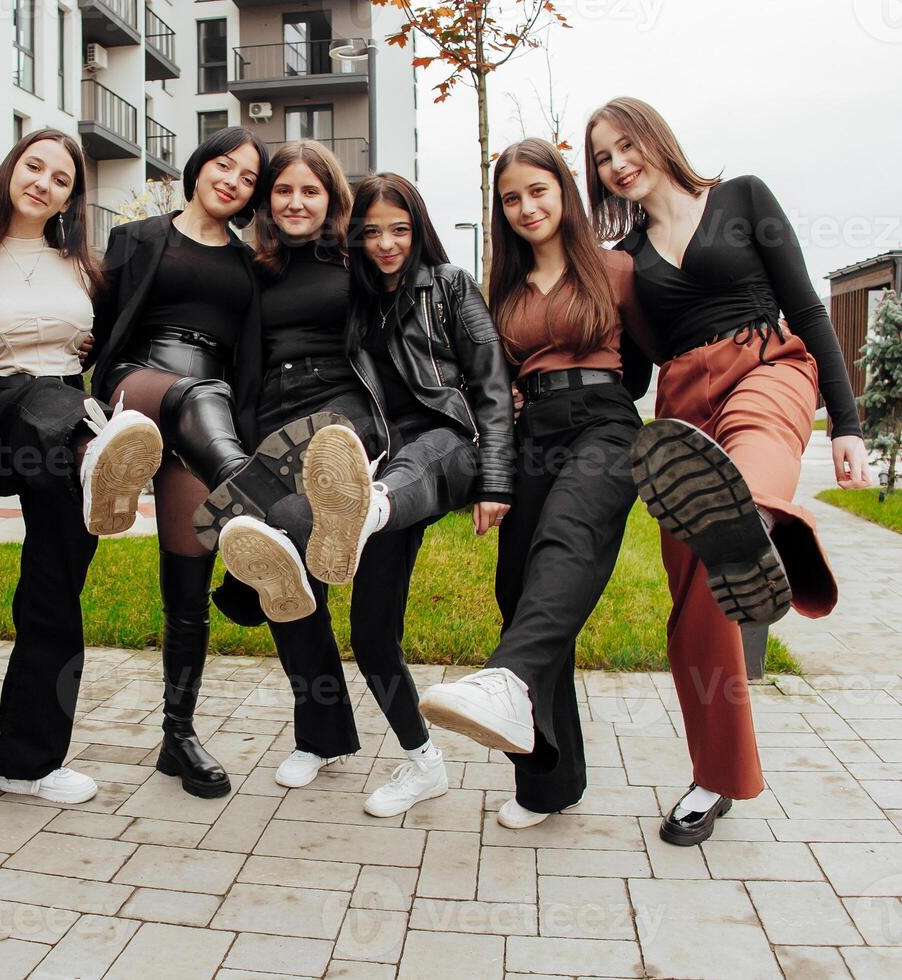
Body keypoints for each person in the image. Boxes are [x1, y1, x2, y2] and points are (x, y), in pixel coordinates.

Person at [585, 97, 871, 844]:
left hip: (765, 363)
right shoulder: (626, 263)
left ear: (654, 138)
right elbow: (632, 366)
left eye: (625, 144)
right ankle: (716, 777)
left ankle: (773, 527)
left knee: (747, 469)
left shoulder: (742, 197)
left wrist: (847, 424)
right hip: (681, 410)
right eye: (603, 158)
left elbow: (808, 308)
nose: (618, 163)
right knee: (699, 603)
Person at [214, 170, 517, 816]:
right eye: (372, 232)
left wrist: (496, 476)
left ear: (420, 229)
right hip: (381, 461)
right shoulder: (360, 298)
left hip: (446, 445)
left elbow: (490, 382)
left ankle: (358, 516)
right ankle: (424, 765)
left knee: (407, 467)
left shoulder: (450, 286)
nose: (385, 243)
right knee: (373, 635)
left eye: (399, 230)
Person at [418, 138, 659, 829]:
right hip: (531, 436)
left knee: (566, 540)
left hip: (604, 425)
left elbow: (642, 361)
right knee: (520, 592)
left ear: (564, 194)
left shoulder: (616, 270)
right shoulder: (505, 292)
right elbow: (490, 387)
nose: (527, 207)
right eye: (512, 198)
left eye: (539, 191)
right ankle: (549, 784)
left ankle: (504, 682)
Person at [0, 129, 162, 804]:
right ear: (12, 169)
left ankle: (27, 762)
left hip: (65, 421)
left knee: (54, 590)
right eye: (35, 166)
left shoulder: (85, 269)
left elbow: (108, 346)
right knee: (46, 400)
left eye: (61, 178)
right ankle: (101, 458)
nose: (44, 182)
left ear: (71, 196)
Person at [86, 126, 270, 798]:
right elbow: (97, 327)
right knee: (193, 395)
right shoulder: (135, 239)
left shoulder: (249, 266)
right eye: (225, 165)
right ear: (199, 166)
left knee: (187, 590)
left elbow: (249, 362)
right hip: (140, 385)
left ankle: (178, 736)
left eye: (249, 178)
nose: (233, 181)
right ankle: (258, 509)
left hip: (207, 420)